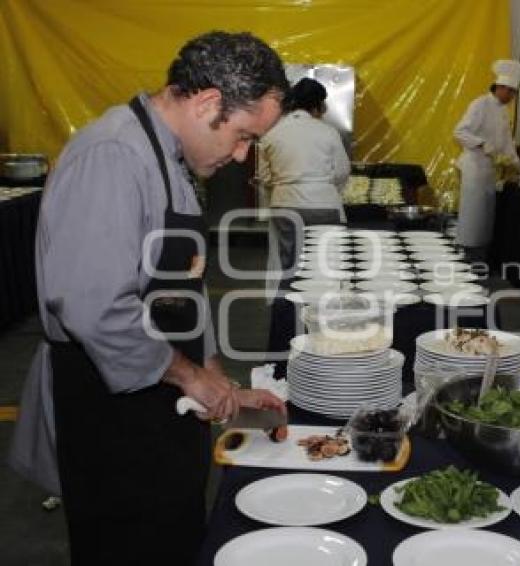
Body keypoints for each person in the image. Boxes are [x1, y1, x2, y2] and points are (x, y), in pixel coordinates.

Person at [10, 31, 288, 565]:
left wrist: (218, 381)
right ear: (208, 102)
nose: (241, 154)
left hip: (158, 399)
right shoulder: (114, 154)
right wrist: (189, 375)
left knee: (173, 537)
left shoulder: (169, 160)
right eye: (242, 135)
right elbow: (95, 307)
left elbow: (178, 287)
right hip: (110, 415)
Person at [258, 76, 351, 282]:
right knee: (325, 265)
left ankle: (288, 310)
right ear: (317, 105)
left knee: (289, 265)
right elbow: (342, 171)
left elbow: (264, 178)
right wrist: (324, 187)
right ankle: (321, 307)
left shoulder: (271, 134)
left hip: (285, 205)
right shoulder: (328, 132)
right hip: (324, 206)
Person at [453, 59, 520, 258]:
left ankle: (479, 256)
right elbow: (459, 132)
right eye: (510, 92)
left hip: (490, 173)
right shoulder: (480, 104)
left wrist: (517, 164)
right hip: (474, 169)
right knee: (472, 217)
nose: (511, 97)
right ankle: (466, 256)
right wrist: (482, 144)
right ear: (499, 87)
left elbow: (507, 143)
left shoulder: (503, 111)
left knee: (484, 220)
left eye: (514, 93)